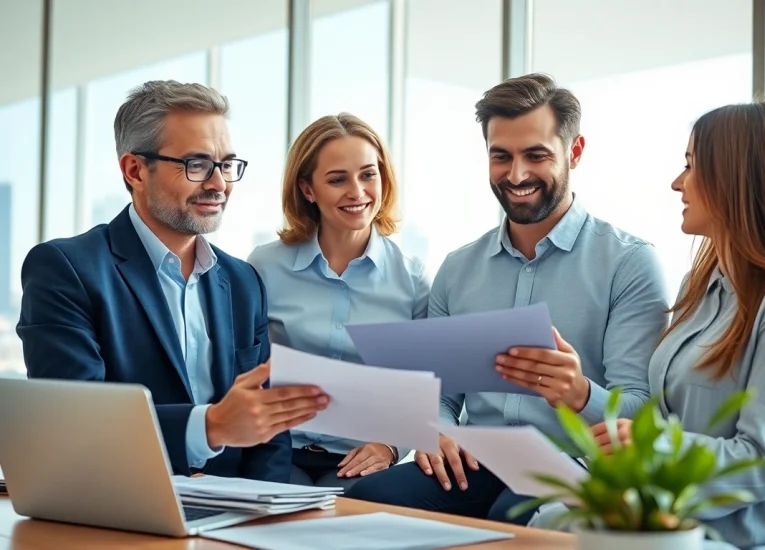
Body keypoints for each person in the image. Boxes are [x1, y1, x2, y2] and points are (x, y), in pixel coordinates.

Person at [345, 73, 669, 523]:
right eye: (501, 156)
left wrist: (578, 393)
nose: (516, 175)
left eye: (536, 155)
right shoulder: (459, 268)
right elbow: (440, 393)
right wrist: (435, 428)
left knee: (512, 519)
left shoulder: (629, 263)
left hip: (572, 465)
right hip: (478, 459)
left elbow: (639, 407)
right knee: (367, 499)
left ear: (574, 152)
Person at [16, 80, 329, 482]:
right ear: (135, 170)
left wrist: (267, 513)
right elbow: (76, 423)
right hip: (124, 502)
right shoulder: (66, 268)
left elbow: (270, 430)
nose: (218, 184)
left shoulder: (242, 281)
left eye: (226, 165)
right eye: (196, 165)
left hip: (238, 514)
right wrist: (210, 426)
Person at [530, 101, 765, 547]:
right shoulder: (700, 284)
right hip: (664, 518)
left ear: (733, 179)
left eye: (691, 166)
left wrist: (651, 447)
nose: (677, 183)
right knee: (542, 521)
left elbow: (758, 466)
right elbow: (665, 415)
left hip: (737, 536)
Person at [247, 113, 431, 489]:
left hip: (359, 461)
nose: (357, 192)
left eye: (368, 174)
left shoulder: (411, 280)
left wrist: (390, 446)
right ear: (307, 189)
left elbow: (425, 387)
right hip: (277, 449)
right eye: (337, 179)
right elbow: (242, 368)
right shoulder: (264, 266)